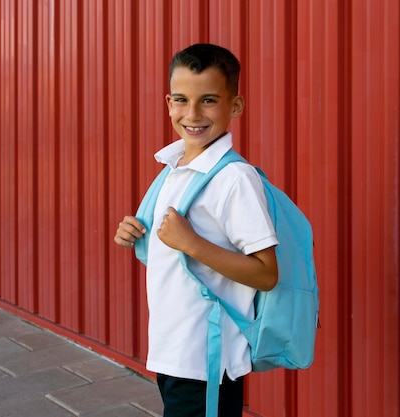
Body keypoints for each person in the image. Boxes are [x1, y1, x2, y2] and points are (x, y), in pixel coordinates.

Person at [113, 43, 279, 417]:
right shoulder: (175, 166)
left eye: (208, 100)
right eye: (182, 100)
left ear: (234, 106)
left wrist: (190, 242)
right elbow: (178, 260)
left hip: (207, 359)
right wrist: (137, 236)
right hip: (174, 350)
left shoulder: (235, 179)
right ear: (168, 102)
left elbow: (266, 274)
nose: (192, 114)